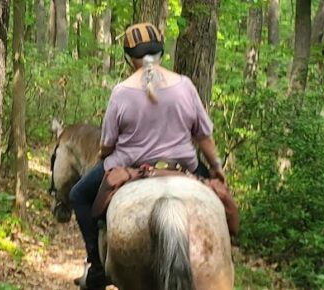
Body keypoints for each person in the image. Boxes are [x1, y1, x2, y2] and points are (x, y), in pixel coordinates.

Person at [69, 22, 225, 289]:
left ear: (129, 59)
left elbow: (107, 144)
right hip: (182, 166)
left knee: (78, 195)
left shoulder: (121, 92)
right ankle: (224, 253)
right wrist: (217, 167)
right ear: (161, 53)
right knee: (221, 206)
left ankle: (95, 266)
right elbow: (203, 137)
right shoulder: (185, 86)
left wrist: (105, 153)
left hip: (130, 167)